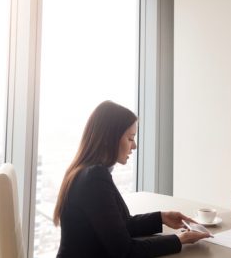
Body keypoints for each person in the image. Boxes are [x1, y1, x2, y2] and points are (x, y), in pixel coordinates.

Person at [53, 100, 209, 258]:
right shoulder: (94, 178)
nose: (134, 146)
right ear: (109, 138)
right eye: (130, 138)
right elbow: (126, 251)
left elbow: (120, 226)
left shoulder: (87, 171)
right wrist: (179, 240)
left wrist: (161, 217)